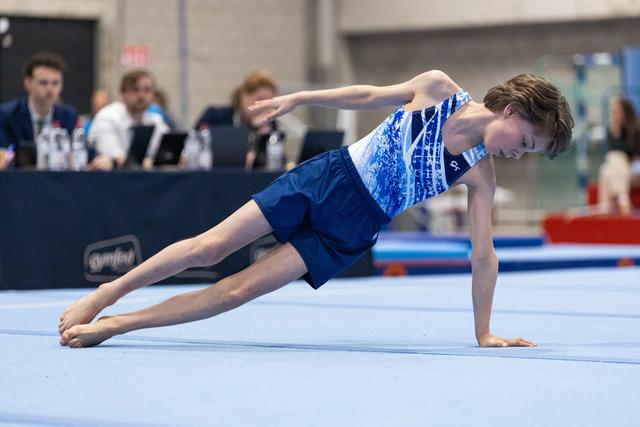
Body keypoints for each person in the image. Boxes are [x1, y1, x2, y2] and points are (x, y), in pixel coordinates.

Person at [58, 70, 573, 349]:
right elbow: (369, 95)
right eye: (525, 140)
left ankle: (118, 325)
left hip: (353, 226)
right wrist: (300, 98)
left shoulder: (478, 174)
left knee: (238, 289)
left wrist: (483, 331)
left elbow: (483, 256)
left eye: (529, 151)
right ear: (511, 111)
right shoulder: (438, 91)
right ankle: (108, 291)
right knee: (210, 246)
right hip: (328, 179)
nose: (518, 153)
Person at [0, 52, 112, 171]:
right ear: (28, 83)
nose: (50, 89)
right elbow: (4, 153)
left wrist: (103, 160)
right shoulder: (8, 115)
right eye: (43, 83)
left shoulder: (68, 115)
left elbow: (86, 152)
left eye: (55, 83)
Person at [195, 70, 279, 169]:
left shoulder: (269, 124)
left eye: (269, 103)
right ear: (243, 95)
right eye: (260, 100)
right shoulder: (215, 116)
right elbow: (193, 145)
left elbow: (276, 162)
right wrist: (249, 128)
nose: (264, 107)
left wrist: (264, 140)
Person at [89, 69, 169, 168]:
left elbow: (167, 152)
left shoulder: (155, 121)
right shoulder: (107, 118)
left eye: (147, 90)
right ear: (123, 92)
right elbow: (116, 158)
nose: (141, 96)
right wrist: (151, 162)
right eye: (135, 90)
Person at [597, 97, 640, 215]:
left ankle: (605, 209)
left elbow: (631, 151)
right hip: (622, 170)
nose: (614, 114)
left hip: (635, 169)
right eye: (612, 111)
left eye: (617, 111)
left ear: (625, 112)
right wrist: (616, 133)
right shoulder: (611, 129)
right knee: (607, 169)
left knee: (612, 162)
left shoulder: (636, 127)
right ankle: (623, 200)